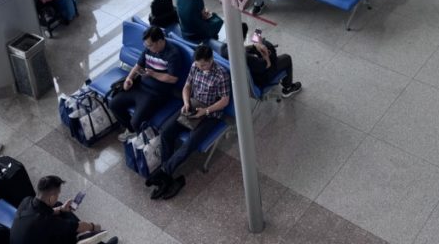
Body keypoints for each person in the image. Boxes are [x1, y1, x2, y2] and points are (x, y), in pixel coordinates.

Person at [145, 45, 231, 200]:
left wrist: (205, 111)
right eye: (198, 65)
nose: (201, 67)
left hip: (211, 113)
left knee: (189, 143)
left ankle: (164, 174)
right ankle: (167, 177)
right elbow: (187, 86)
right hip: (193, 104)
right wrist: (186, 102)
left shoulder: (221, 74)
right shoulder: (195, 66)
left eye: (204, 65)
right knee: (166, 132)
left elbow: (225, 101)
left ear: (211, 60)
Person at [109, 25, 182, 142]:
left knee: (136, 121)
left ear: (159, 41)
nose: (147, 47)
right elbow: (138, 66)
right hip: (140, 87)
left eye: (150, 45)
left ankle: (145, 139)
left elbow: (172, 79)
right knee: (114, 104)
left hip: (156, 94)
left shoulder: (173, 54)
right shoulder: (149, 49)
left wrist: (153, 74)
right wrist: (129, 79)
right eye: (146, 45)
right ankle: (132, 131)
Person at [11, 175, 117, 244]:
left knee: (59, 207)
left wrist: (61, 209)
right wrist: (94, 226)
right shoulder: (46, 221)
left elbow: (47, 212)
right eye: (57, 194)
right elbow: (79, 226)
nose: (57, 196)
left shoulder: (27, 200)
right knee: (76, 232)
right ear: (51, 197)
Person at [222, 22, 301, 98]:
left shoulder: (225, 49)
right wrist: (264, 49)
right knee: (286, 58)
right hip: (261, 78)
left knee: (260, 42)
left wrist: (255, 46)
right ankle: (288, 88)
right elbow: (268, 64)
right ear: (244, 37)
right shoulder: (249, 58)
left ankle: (261, 43)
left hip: (247, 76)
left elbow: (244, 51)